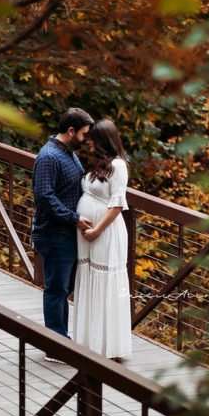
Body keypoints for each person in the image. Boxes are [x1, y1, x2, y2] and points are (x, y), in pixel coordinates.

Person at [32, 107, 95, 362]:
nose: (86, 139)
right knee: (56, 288)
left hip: (68, 232)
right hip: (54, 233)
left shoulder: (68, 153)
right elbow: (44, 197)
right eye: (83, 134)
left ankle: (61, 338)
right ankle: (55, 345)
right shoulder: (49, 157)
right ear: (70, 131)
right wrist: (75, 218)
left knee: (64, 287)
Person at [74, 119, 133, 362]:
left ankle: (108, 345)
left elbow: (117, 204)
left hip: (105, 233)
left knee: (104, 281)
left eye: (93, 139)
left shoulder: (118, 166)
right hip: (86, 232)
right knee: (88, 277)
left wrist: (97, 230)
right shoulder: (97, 165)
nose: (89, 143)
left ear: (103, 140)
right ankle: (88, 340)